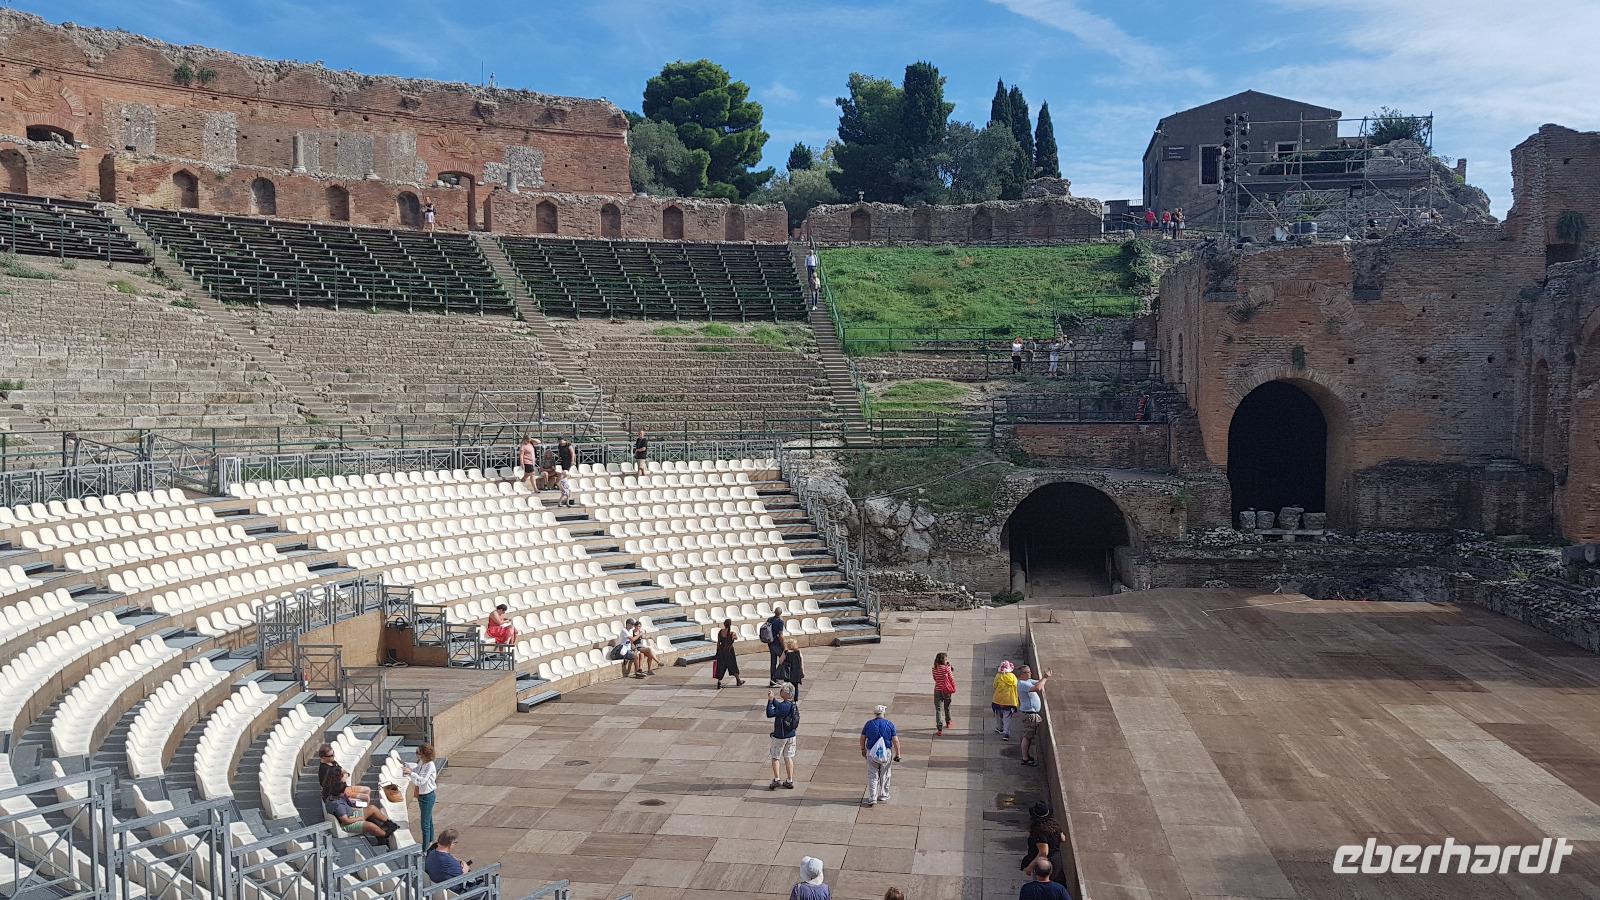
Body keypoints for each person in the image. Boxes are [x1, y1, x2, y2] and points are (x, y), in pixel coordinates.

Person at [324, 782, 396, 842]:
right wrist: (359, 818)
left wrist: (359, 810)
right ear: (341, 793)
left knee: (372, 808)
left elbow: (347, 809)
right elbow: (346, 821)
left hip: (352, 815)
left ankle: (388, 823)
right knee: (370, 825)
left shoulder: (332, 797)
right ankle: (384, 835)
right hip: (347, 824)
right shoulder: (339, 806)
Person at [860, 705, 901, 807]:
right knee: (885, 774)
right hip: (885, 752)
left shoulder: (869, 724)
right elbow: (895, 740)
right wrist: (898, 754)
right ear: (883, 713)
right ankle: (883, 795)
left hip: (872, 752)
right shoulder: (889, 724)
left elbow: (862, 738)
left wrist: (863, 749)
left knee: (873, 775)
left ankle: (872, 797)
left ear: (875, 713)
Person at [401, 744, 438, 849]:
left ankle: (425, 849)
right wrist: (407, 766)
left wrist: (410, 773)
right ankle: (430, 842)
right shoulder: (422, 762)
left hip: (427, 796)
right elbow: (416, 770)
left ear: (424, 755)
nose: (416, 754)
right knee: (428, 819)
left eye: (418, 753)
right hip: (423, 796)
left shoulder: (430, 765)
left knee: (425, 824)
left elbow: (422, 781)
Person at [1021, 801, 1067, 882]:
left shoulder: (1039, 831)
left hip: (1045, 864)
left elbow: (1043, 853)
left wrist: (1030, 867)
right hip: (1057, 859)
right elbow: (1063, 838)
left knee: (1044, 883)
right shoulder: (1054, 825)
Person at [1016, 665, 1052, 766]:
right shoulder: (1022, 683)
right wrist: (1045, 677)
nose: (1030, 673)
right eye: (1028, 672)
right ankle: (1025, 758)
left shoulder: (1028, 681)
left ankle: (1026, 756)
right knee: (1027, 737)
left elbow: (1038, 682)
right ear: (1022, 674)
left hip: (1031, 714)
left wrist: (1045, 677)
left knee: (1029, 736)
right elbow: (1038, 688)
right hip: (1029, 715)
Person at [766, 683, 799, 790]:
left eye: (782, 690)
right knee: (788, 757)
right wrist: (773, 699)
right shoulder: (792, 704)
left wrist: (770, 701)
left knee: (775, 757)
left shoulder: (783, 706)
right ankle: (789, 780)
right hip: (791, 735)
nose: (780, 691)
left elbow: (770, 713)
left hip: (780, 736)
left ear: (787, 694)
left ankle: (777, 779)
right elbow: (779, 706)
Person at [713, 618, 744, 688]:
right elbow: (736, 638)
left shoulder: (720, 632)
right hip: (729, 652)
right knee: (733, 666)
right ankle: (738, 680)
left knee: (721, 667)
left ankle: (719, 682)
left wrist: (717, 652)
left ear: (724, 624)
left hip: (721, 651)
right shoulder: (732, 633)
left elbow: (718, 643)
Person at [992, 661, 1019, 740]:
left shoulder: (998, 676)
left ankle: (999, 728)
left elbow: (994, 686)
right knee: (1007, 717)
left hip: (998, 700)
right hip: (1009, 701)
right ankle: (1006, 733)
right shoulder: (1013, 677)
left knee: (998, 715)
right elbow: (1016, 686)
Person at [932, 651, 956, 735]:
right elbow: (951, 678)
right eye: (946, 659)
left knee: (938, 709)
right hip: (946, 690)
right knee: (947, 707)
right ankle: (948, 722)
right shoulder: (947, 668)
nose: (947, 660)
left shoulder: (934, 668)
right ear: (943, 660)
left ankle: (939, 729)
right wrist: (953, 687)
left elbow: (935, 678)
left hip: (937, 690)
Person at [763, 605, 786, 686]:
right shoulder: (780, 621)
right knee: (783, 660)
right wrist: (784, 646)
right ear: (781, 613)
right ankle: (775, 678)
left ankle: (772, 681)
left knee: (773, 662)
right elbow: (780, 635)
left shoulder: (770, 619)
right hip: (777, 644)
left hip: (770, 643)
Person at [778, 636, 805, 702]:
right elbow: (802, 663)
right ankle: (795, 699)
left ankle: (787, 698)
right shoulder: (798, 652)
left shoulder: (786, 652)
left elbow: (780, 661)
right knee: (796, 686)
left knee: (787, 687)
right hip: (796, 672)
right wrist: (802, 672)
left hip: (788, 673)